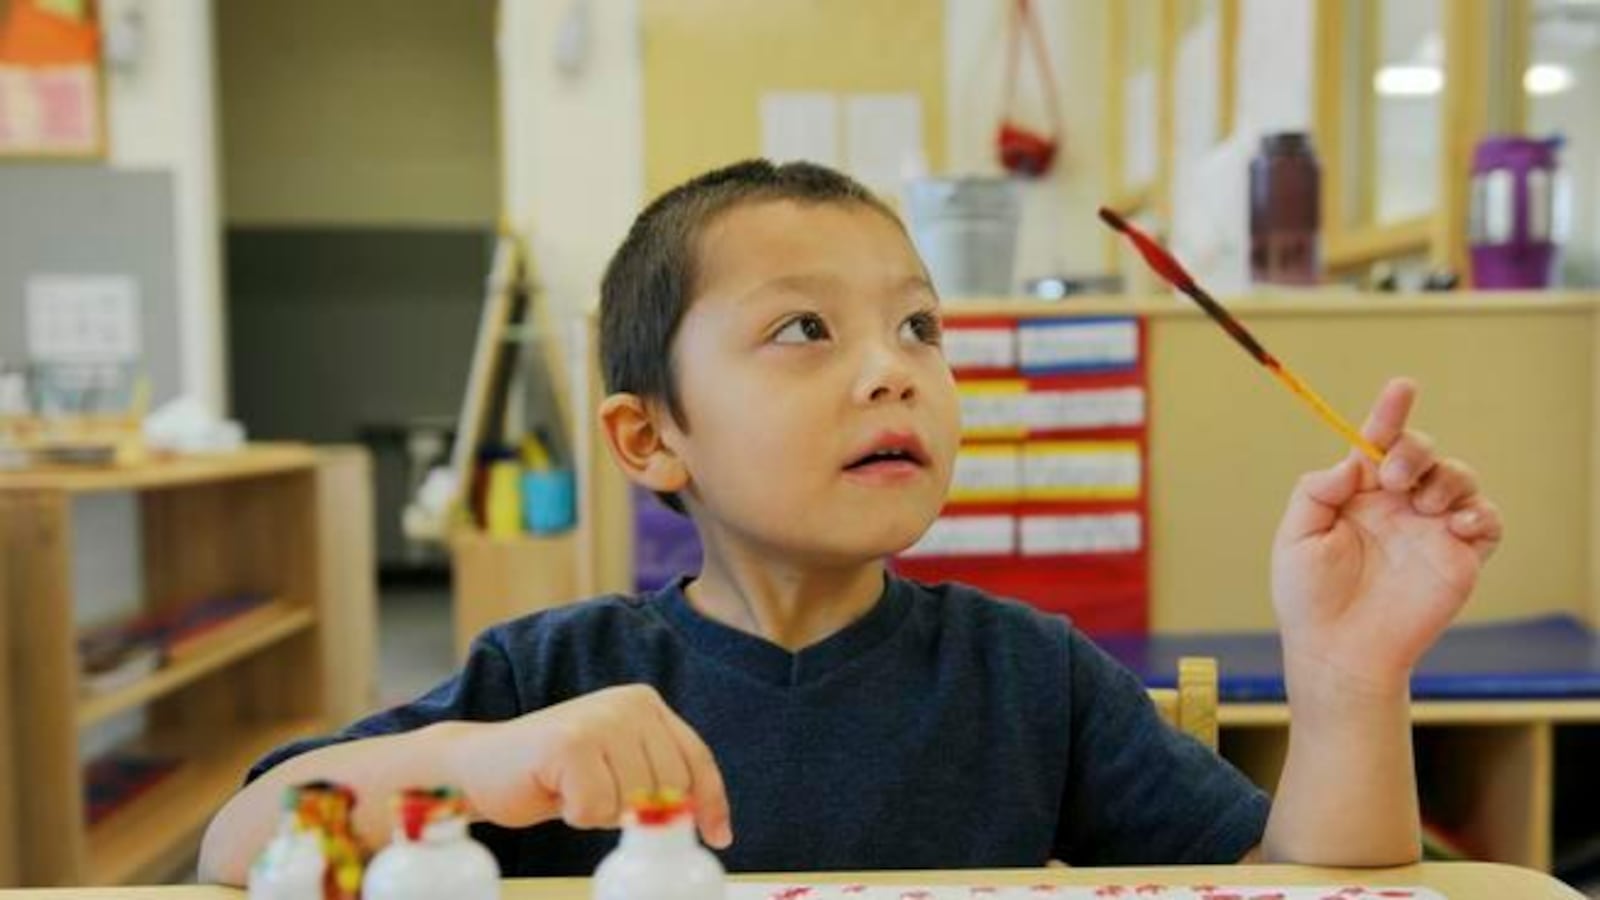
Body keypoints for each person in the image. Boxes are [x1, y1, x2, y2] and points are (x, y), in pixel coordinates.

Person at [199, 160, 1502, 884]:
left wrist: (1349, 677)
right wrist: (492, 765)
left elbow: (1311, 886)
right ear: (651, 438)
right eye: (804, 329)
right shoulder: (557, 679)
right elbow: (239, 840)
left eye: (920, 327)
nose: (895, 370)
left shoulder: (1026, 676)